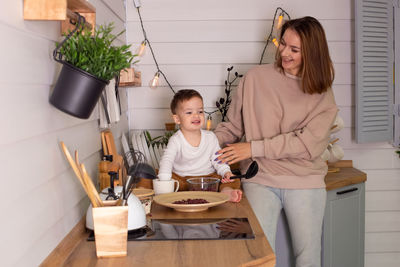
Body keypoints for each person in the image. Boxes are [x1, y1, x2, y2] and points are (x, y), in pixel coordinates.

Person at [214, 16, 338, 267]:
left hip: (305, 181)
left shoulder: (322, 93)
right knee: (257, 255)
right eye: (282, 44)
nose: (284, 53)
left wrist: (252, 148)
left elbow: (306, 145)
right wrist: (196, 144)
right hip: (260, 179)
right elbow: (232, 127)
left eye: (294, 49)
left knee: (308, 258)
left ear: (312, 53)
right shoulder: (255, 78)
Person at [158, 89, 242, 202]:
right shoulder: (176, 140)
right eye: (189, 112)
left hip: (208, 179)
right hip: (183, 181)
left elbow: (218, 160)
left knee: (233, 179)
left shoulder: (210, 137)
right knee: (153, 176)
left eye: (200, 111)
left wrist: (226, 172)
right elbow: (167, 160)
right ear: (177, 119)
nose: (196, 115)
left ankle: (226, 192)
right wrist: (164, 181)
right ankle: (172, 193)